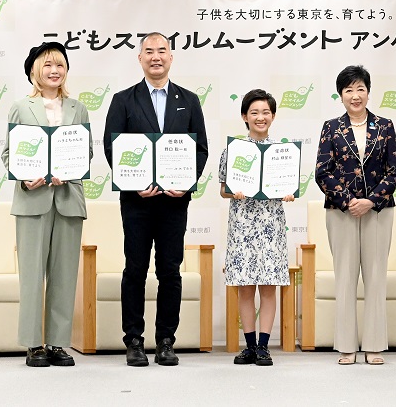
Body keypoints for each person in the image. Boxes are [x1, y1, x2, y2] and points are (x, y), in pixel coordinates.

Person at [103, 32, 208, 367]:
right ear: (140, 58)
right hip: (136, 202)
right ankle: (133, 340)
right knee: (135, 269)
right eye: (149, 51)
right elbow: (112, 147)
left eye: (162, 50)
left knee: (170, 270)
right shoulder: (123, 100)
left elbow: (200, 149)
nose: (156, 57)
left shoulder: (189, 100)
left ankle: (166, 341)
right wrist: (133, 185)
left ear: (171, 57)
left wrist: (186, 182)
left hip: (174, 201)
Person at [1, 42, 91, 367]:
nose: (55, 71)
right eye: (48, 65)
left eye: (60, 65)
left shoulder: (78, 108)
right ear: (34, 71)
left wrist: (68, 170)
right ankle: (32, 344)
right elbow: (9, 154)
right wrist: (25, 178)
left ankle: (57, 343)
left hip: (68, 199)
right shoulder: (21, 107)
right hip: (32, 200)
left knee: (65, 274)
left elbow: (86, 152)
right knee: (32, 274)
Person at [315, 65, 396, 365]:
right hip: (342, 212)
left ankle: (375, 345)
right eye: (349, 89)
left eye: (360, 88)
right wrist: (350, 201)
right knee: (346, 278)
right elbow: (322, 172)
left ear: (368, 91)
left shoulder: (385, 126)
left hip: (378, 212)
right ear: (340, 95)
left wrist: (370, 201)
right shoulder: (331, 127)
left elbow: (394, 173)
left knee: (376, 277)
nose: (355, 95)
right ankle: (347, 345)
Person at [219, 89, 294, 367]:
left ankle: (264, 346)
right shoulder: (233, 149)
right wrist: (234, 192)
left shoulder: (282, 152)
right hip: (242, 225)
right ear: (244, 117)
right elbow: (223, 189)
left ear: (272, 116)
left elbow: (288, 188)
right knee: (245, 288)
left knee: (269, 287)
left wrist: (288, 193)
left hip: (271, 225)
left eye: (265, 112)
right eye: (254, 112)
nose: (260, 117)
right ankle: (249, 346)